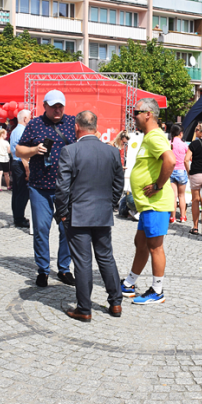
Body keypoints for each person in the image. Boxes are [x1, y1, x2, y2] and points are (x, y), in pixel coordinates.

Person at [55, 111, 125, 322]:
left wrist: (63, 213)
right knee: (106, 257)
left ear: (77, 127)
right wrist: (110, 204)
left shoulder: (69, 151)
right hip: (101, 212)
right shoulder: (112, 152)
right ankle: (115, 303)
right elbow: (118, 184)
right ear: (96, 126)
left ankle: (84, 309)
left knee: (83, 261)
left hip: (78, 214)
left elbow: (62, 188)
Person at [16, 90, 76, 287]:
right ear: (45, 106)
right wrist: (34, 150)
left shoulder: (72, 123)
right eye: (53, 106)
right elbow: (18, 150)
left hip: (66, 188)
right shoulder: (34, 125)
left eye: (60, 106)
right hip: (40, 186)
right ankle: (43, 269)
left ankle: (64, 269)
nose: (57, 109)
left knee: (66, 229)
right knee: (41, 229)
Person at [121, 98, 175, 305]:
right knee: (141, 243)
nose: (133, 117)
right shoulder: (149, 137)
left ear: (148, 114)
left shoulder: (154, 137)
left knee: (155, 246)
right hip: (148, 205)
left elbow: (170, 161)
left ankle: (157, 290)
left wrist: (159, 185)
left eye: (136, 113)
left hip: (156, 204)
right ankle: (129, 284)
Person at [9, 109, 32, 228]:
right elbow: (22, 152)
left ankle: (17, 216)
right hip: (20, 163)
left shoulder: (14, 131)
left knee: (17, 192)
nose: (31, 120)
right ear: (25, 119)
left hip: (15, 162)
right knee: (23, 192)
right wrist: (27, 169)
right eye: (30, 117)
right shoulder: (22, 131)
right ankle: (19, 218)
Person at [168, 124, 189, 223]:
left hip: (171, 170)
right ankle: (183, 216)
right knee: (182, 195)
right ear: (181, 134)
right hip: (181, 170)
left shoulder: (169, 143)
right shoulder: (184, 145)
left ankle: (172, 217)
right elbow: (189, 158)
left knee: (173, 195)